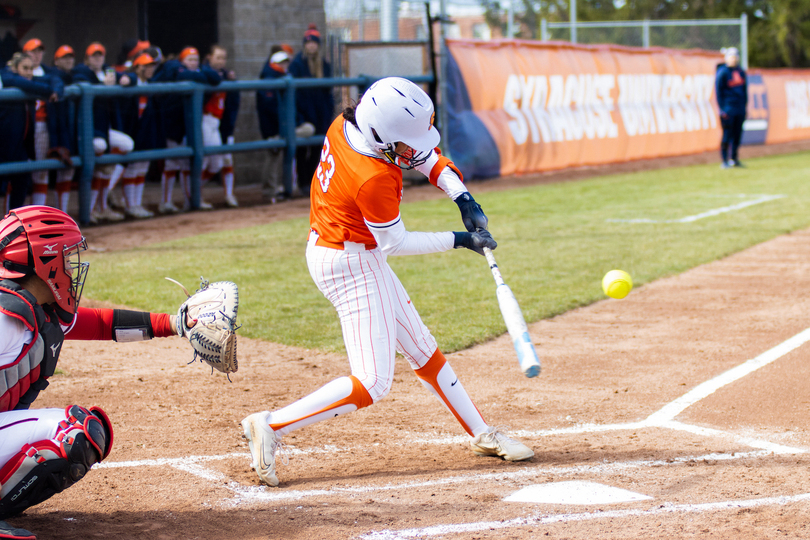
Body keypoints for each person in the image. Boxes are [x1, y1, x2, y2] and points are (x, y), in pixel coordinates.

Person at [240, 77, 534, 489]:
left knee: (421, 347)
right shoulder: (373, 176)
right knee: (373, 382)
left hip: (348, 251)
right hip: (348, 263)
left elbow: (425, 157)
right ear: (383, 139)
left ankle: (482, 434)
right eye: (405, 145)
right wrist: (462, 240)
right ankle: (271, 425)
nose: (414, 151)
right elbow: (395, 242)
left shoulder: (351, 124)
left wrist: (462, 197)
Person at [0, 205, 198, 540]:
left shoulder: (37, 308)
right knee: (71, 433)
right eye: (65, 256)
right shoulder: (6, 317)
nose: (72, 266)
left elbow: (102, 323)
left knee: (89, 432)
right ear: (44, 262)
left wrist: (176, 324)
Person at [151, 46, 221, 212]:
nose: (193, 62)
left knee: (184, 164)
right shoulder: (173, 67)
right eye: (189, 59)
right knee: (171, 163)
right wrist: (199, 75)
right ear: (182, 60)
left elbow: (215, 78)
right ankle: (167, 201)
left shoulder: (200, 70)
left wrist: (199, 72)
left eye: (195, 59)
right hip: (171, 122)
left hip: (186, 123)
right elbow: (183, 75)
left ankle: (190, 200)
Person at [71, 42, 134, 223]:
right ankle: (89, 211)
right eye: (94, 55)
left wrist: (126, 80)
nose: (97, 58)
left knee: (127, 144)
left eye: (100, 55)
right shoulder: (82, 71)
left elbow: (131, 77)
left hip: (104, 129)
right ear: (87, 58)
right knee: (100, 149)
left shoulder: (108, 71)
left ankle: (103, 204)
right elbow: (80, 82)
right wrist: (102, 84)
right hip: (87, 129)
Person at [0, 53, 57, 212]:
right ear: (15, 68)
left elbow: (54, 80)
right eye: (24, 68)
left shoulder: (30, 81)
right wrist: (47, 91)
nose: (28, 72)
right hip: (3, 146)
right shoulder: (7, 76)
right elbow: (15, 80)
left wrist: (53, 89)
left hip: (19, 148)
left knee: (21, 183)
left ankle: (12, 228)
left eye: (31, 68)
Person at [288, 24, 334, 197]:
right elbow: (295, 95)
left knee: (318, 149)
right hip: (303, 113)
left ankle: (315, 182)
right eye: (308, 43)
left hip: (321, 113)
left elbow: (328, 92)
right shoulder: (297, 65)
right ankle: (303, 182)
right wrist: (299, 116)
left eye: (314, 42)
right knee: (302, 150)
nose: (311, 46)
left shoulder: (324, 65)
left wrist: (328, 112)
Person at [21, 39, 66, 209]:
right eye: (33, 51)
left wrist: (53, 89)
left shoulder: (48, 73)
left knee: (40, 173)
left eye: (40, 51)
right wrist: (45, 89)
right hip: (21, 127)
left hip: (41, 126)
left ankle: (37, 216)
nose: (37, 54)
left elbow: (58, 81)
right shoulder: (17, 72)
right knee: (17, 173)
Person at [119, 53, 163, 218]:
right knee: (131, 168)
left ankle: (136, 204)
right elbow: (123, 77)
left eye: (152, 66)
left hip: (146, 133)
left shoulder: (150, 84)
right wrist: (127, 78)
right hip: (131, 131)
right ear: (137, 67)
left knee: (142, 168)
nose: (150, 69)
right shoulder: (132, 79)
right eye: (146, 66)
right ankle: (130, 205)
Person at [203, 45, 240, 208]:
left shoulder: (227, 75)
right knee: (204, 160)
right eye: (217, 57)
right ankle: (194, 193)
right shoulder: (204, 72)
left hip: (220, 123)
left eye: (223, 58)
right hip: (205, 120)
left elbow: (232, 105)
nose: (221, 61)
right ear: (209, 57)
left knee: (221, 161)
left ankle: (229, 194)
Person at [256, 46, 290, 203]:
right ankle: (269, 191)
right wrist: (277, 128)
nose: (284, 65)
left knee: (278, 156)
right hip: (272, 127)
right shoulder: (269, 79)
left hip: (282, 126)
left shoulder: (283, 77)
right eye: (281, 62)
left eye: (285, 62)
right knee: (272, 156)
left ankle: (277, 188)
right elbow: (269, 109)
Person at [50, 45, 78, 214]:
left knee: (68, 171)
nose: (68, 60)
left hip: (71, 129)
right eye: (64, 57)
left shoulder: (74, 76)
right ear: (57, 60)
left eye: (71, 57)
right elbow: (55, 81)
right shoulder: (53, 75)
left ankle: (63, 213)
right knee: (43, 173)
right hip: (55, 130)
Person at [715, 47, 747, 169]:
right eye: (731, 56)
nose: (734, 58)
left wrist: (744, 107)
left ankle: (734, 159)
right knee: (727, 135)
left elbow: (744, 91)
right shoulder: (722, 72)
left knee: (737, 135)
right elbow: (718, 92)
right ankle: (724, 160)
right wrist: (722, 109)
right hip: (728, 109)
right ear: (727, 58)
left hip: (739, 109)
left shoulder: (741, 72)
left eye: (736, 56)